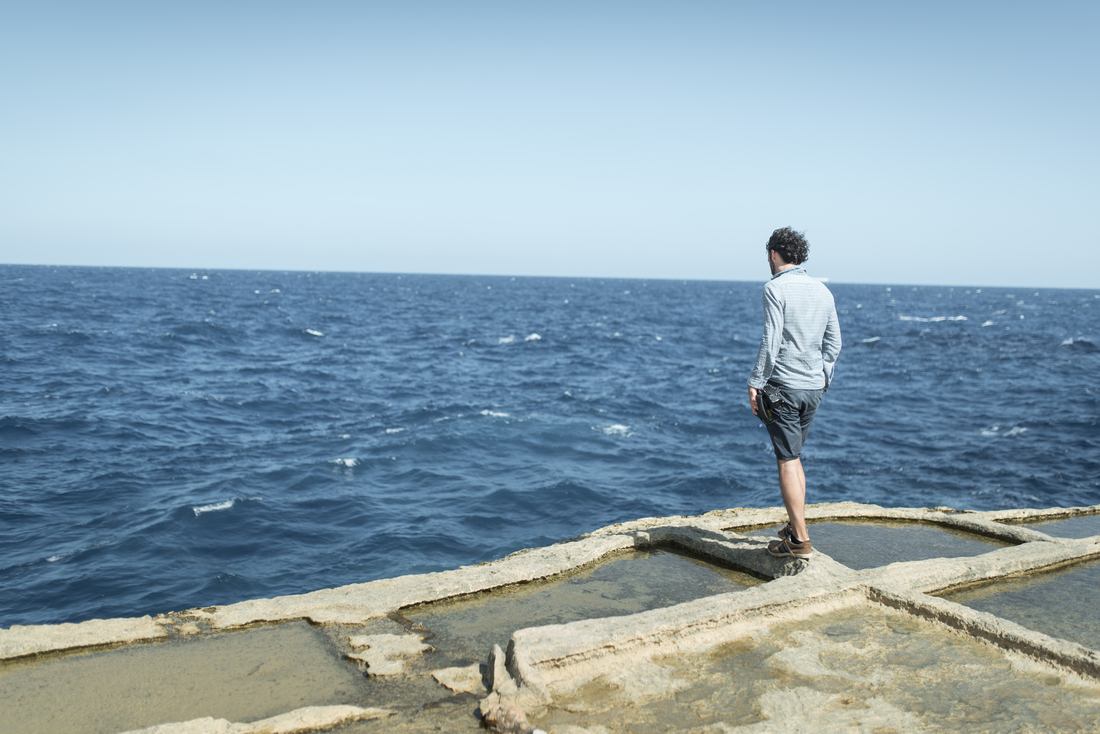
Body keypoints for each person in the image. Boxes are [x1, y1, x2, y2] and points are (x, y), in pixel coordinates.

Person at [748, 227, 841, 559]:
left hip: (782, 387)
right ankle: (794, 528)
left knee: (786, 460)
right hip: (814, 388)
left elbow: (771, 344)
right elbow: (834, 345)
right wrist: (822, 378)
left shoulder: (774, 289)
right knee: (795, 457)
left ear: (774, 254)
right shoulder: (822, 291)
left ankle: (800, 541)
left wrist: (756, 382)